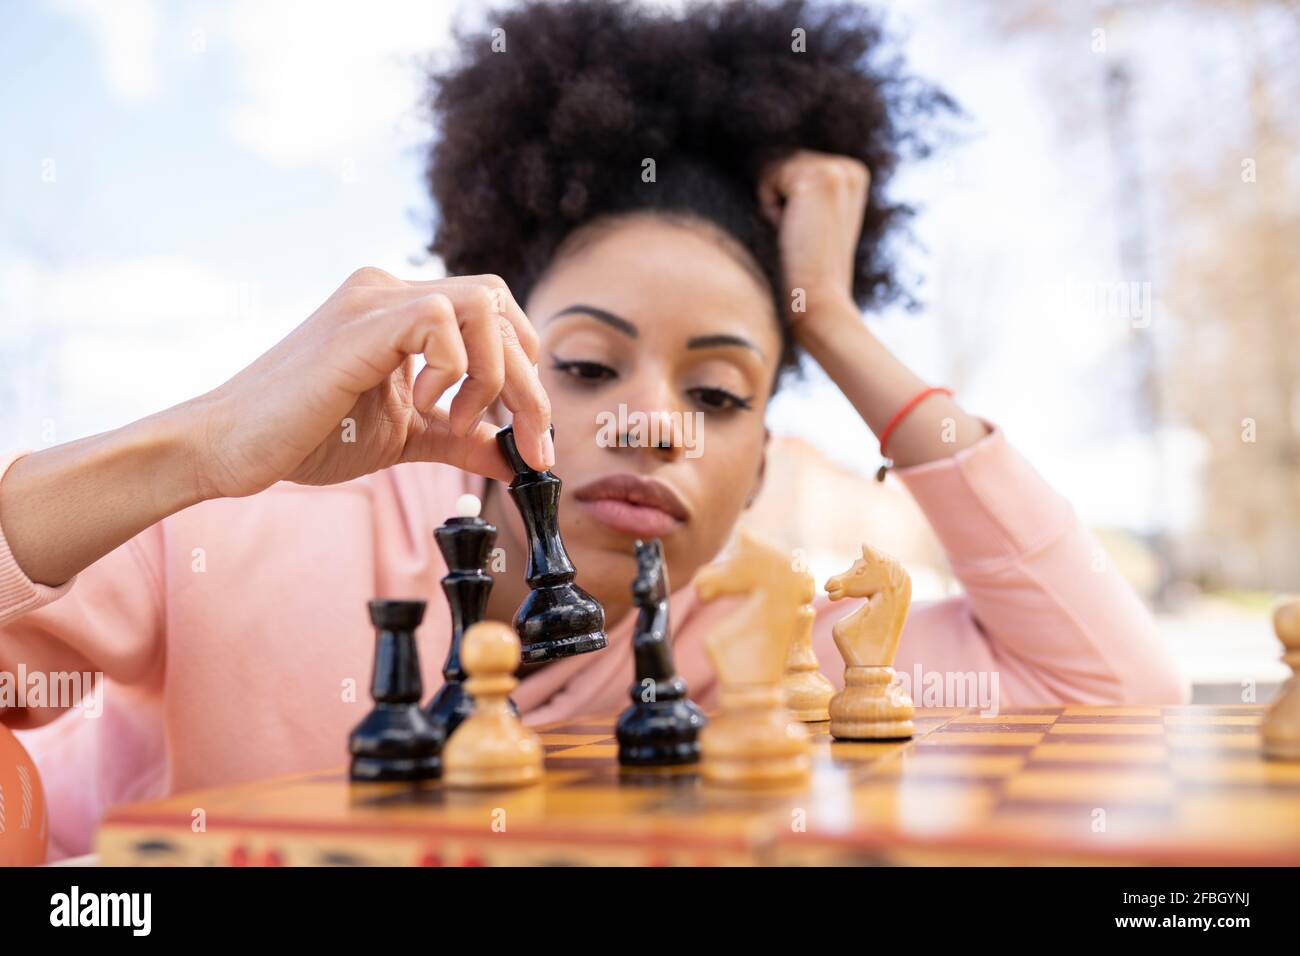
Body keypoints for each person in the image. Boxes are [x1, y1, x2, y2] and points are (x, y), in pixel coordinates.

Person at [0, 0, 1186, 860]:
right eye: (582, 363)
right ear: (492, 360)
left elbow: (1110, 681)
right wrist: (205, 448)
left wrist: (828, 320)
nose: (649, 423)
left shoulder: (757, 649)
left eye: (720, 393)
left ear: (760, 463)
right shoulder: (247, 523)